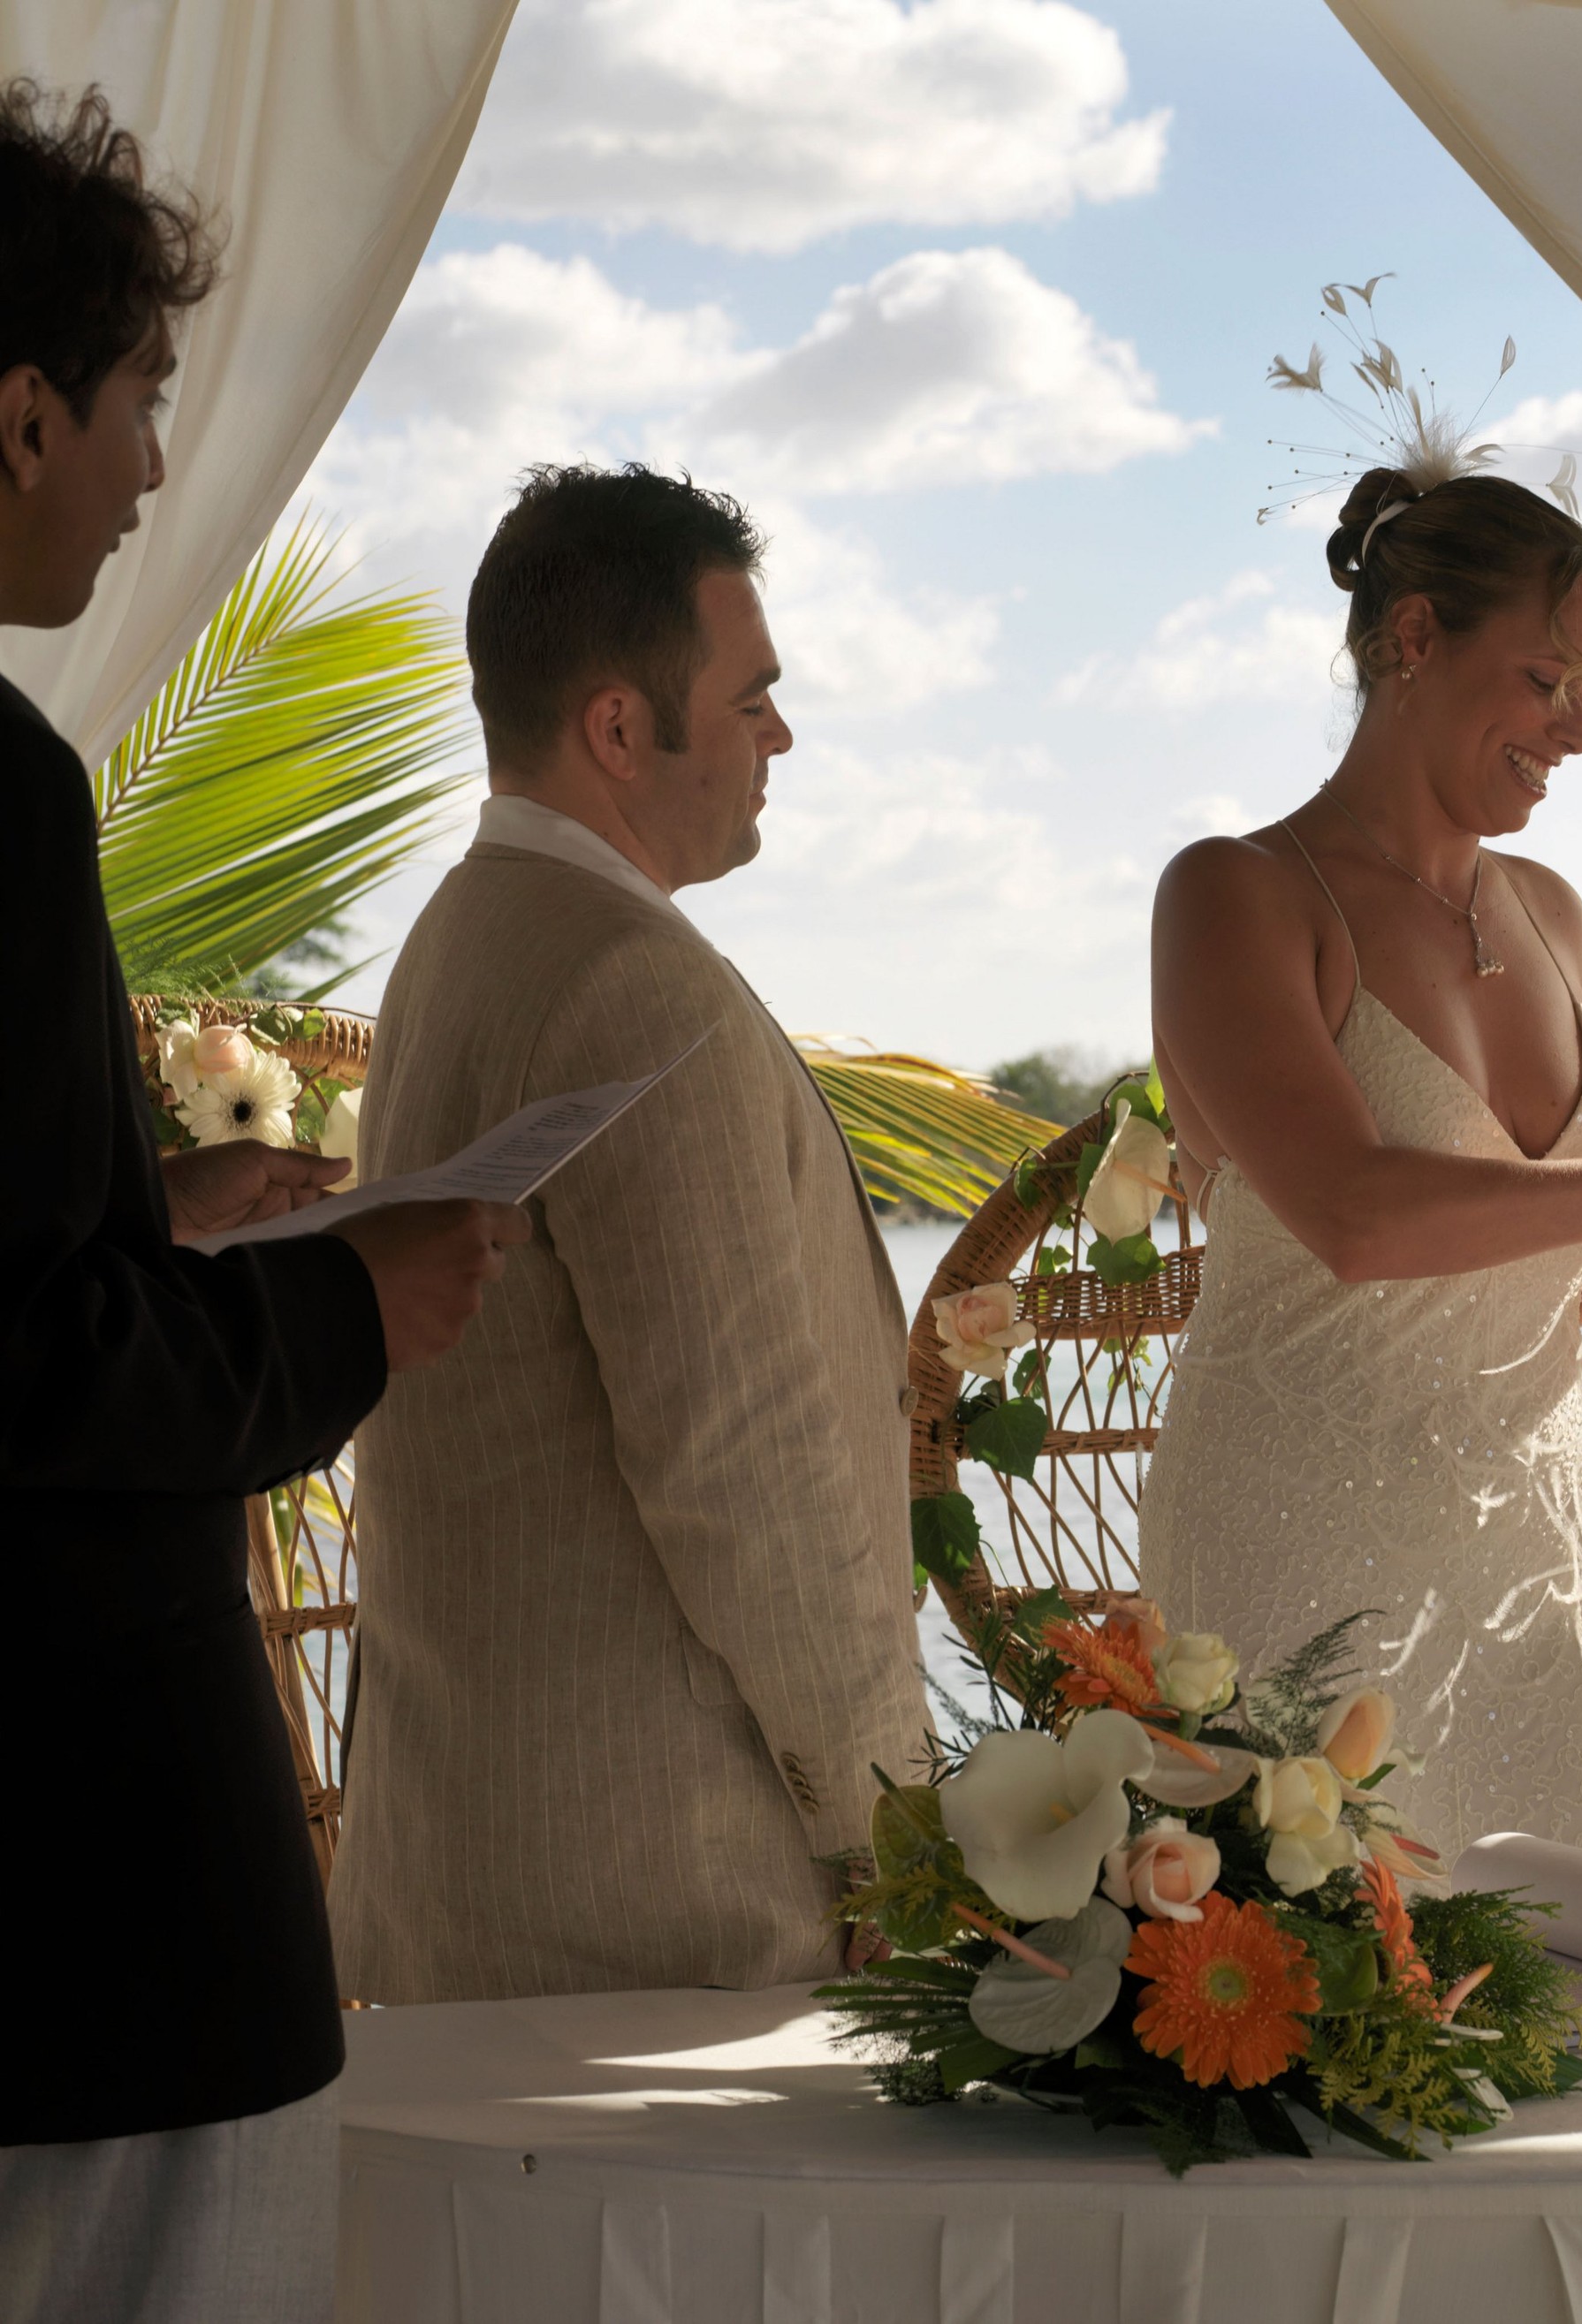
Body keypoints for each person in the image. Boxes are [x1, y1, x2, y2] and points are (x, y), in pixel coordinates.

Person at [0, 80, 525, 2320]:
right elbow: (24, 1369)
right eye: (141, 409)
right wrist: (349, 1306)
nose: (144, 477)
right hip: (80, 1890)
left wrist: (154, 1215)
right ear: (23, 416)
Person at [1139, 464, 1582, 1864]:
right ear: (1413, 639)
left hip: (1552, 1560)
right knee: (1334, 2025)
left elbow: (1552, 1264)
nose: (1579, 730)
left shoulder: (1553, 916)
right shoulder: (1238, 892)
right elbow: (1352, 1216)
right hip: (1301, 1544)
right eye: (1547, 678)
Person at [329, 465, 930, 2003]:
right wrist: (898, 1835)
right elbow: (746, 1462)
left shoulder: (454, 942)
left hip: (466, 1860)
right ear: (617, 726)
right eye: (751, 700)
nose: (780, 737)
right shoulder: (631, 984)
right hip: (659, 1902)